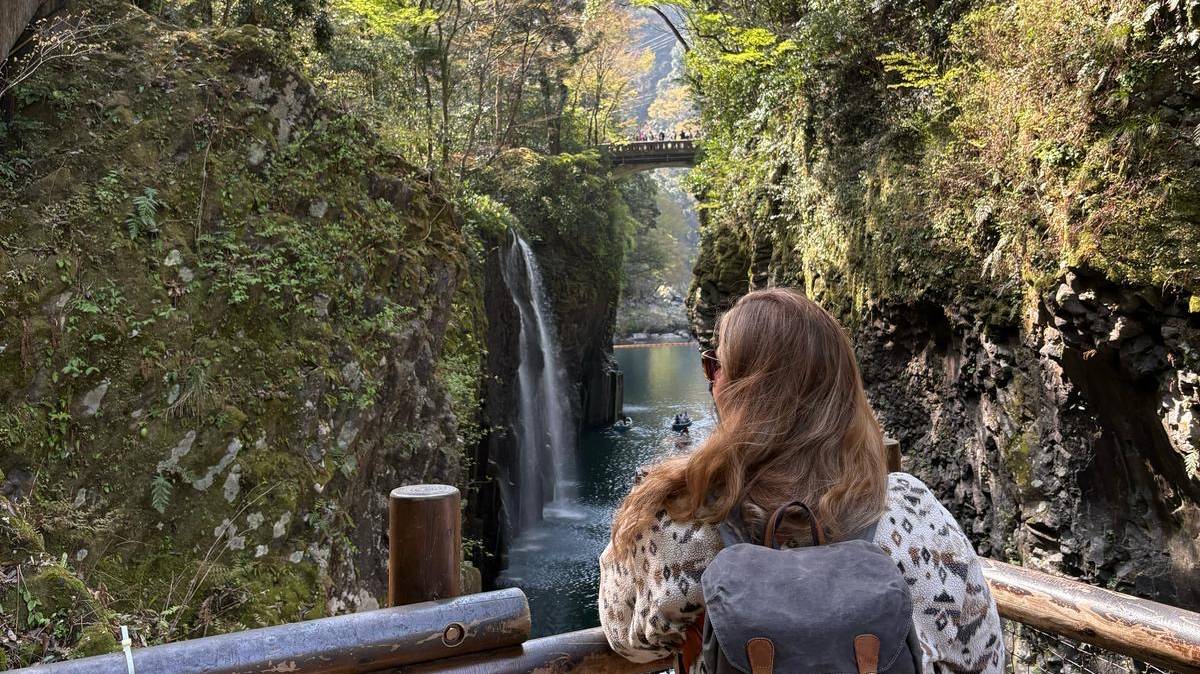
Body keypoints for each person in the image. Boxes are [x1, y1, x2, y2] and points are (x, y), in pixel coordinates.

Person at [598, 288, 1004, 673]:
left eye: (714, 366)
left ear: (743, 389)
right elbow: (981, 652)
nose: (711, 382)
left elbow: (625, 637)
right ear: (841, 386)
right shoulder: (911, 509)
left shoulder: (684, 518)